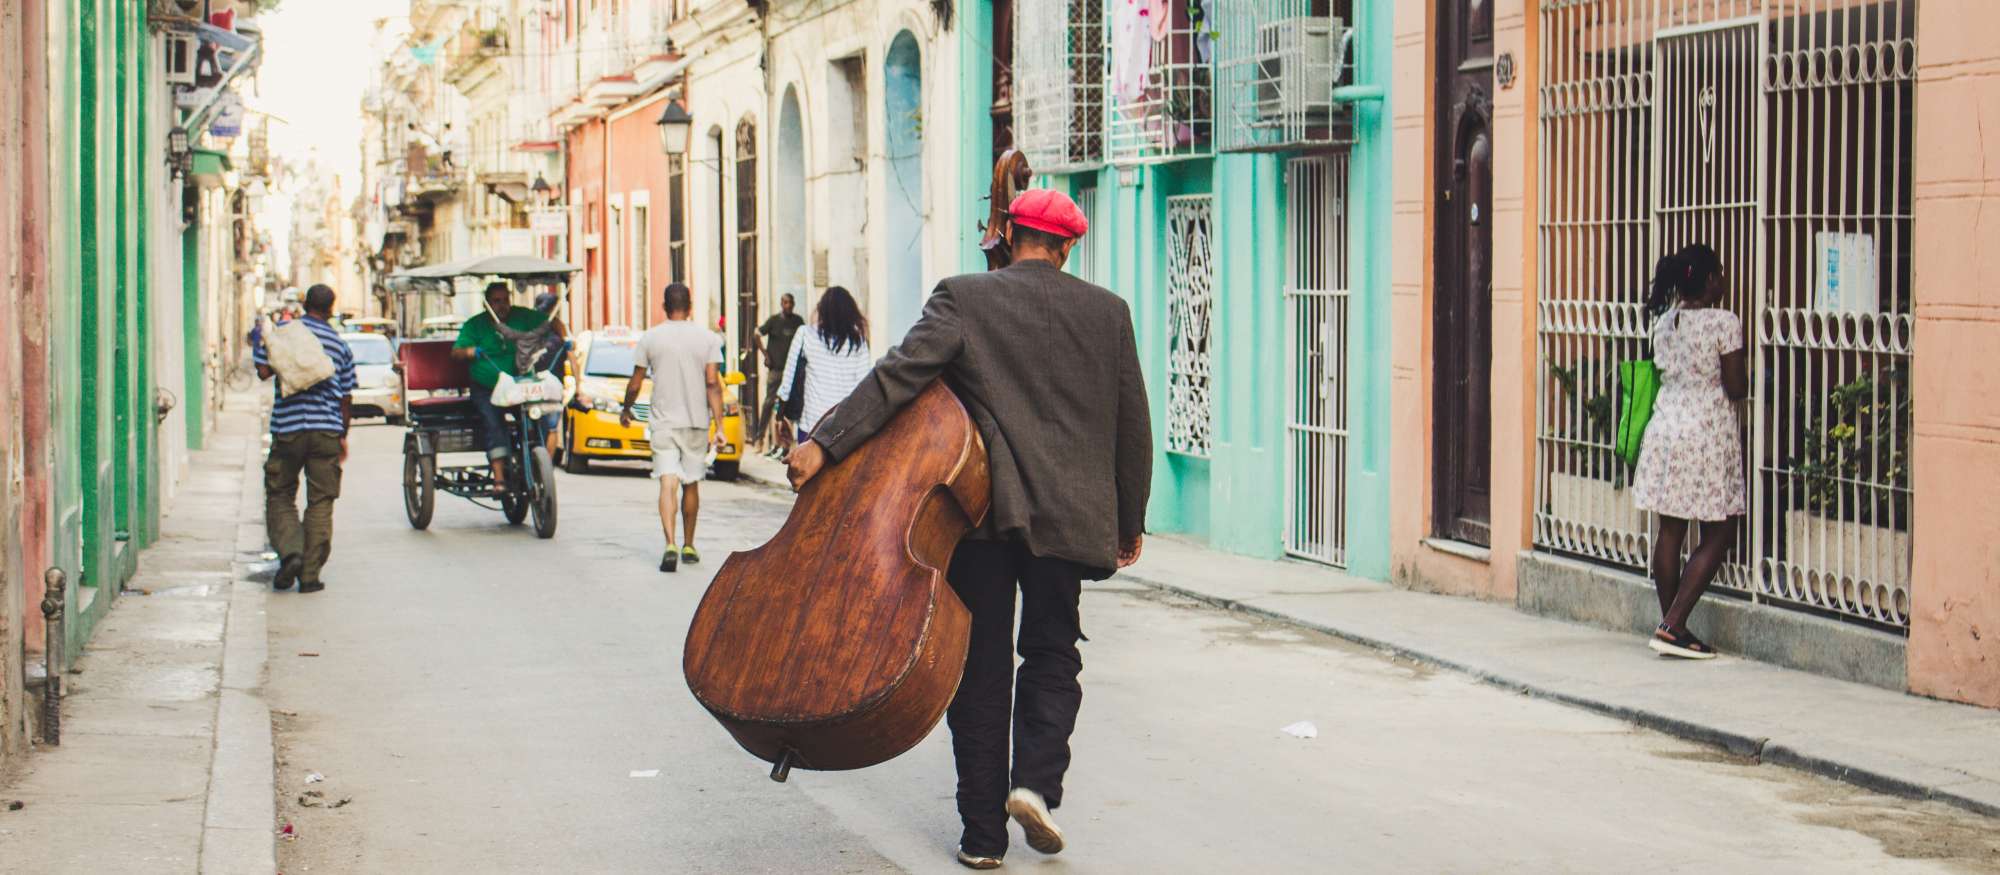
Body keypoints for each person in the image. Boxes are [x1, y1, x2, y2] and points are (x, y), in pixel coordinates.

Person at [788, 189, 1152, 869]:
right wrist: (1128, 520)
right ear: (1069, 246)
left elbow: (897, 377)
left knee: (980, 669)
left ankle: (982, 836)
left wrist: (824, 443)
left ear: (1011, 234)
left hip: (985, 516)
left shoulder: (963, 297)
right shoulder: (1108, 314)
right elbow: (1132, 427)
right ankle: (1035, 784)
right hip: (1070, 520)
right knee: (1052, 652)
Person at [1630, 243, 1748, 660]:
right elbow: (1735, 387)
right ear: (1711, 280)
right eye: (1721, 274)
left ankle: (1672, 626)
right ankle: (1675, 623)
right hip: (1705, 431)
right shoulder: (1724, 322)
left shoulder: (1664, 323)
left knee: (1672, 529)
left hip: (1665, 429)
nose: (1724, 281)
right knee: (1721, 527)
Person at [254, 284, 356, 595]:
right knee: (321, 501)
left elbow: (262, 370)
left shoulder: (286, 331)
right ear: (330, 309)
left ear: (304, 304)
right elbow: (346, 397)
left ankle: (291, 553)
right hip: (326, 429)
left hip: (288, 428)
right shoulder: (339, 345)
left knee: (280, 493)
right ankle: (310, 575)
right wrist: (342, 435)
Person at [619, 282, 726, 573]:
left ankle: (670, 543)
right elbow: (712, 383)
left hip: (664, 421)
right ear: (690, 307)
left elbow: (636, 382)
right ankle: (689, 543)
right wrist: (719, 425)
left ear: (664, 307)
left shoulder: (651, 338)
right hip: (695, 422)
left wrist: (626, 409)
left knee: (668, 481)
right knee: (691, 482)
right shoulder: (708, 339)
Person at [452, 281, 551, 493]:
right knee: (493, 422)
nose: (502, 305)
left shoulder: (523, 316)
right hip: (487, 387)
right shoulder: (475, 325)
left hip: (519, 385)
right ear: (487, 303)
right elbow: (457, 352)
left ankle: (536, 459)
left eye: (506, 300)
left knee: (538, 416)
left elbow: (550, 322)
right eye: (496, 301)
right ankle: (499, 479)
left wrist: (566, 337)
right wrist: (472, 352)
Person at [774, 286, 872, 442]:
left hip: (812, 428)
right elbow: (864, 385)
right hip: (844, 431)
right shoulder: (858, 342)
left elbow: (787, 380)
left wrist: (780, 416)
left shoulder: (805, 334)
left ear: (822, 309)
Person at [752, 293, 806, 456]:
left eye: (790, 303)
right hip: (776, 370)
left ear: (793, 304)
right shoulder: (774, 321)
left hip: (792, 371)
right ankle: (759, 438)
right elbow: (757, 334)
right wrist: (766, 354)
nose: (788, 306)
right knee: (769, 403)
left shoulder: (798, 322)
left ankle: (786, 443)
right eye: (785, 303)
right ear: (781, 304)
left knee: (790, 406)